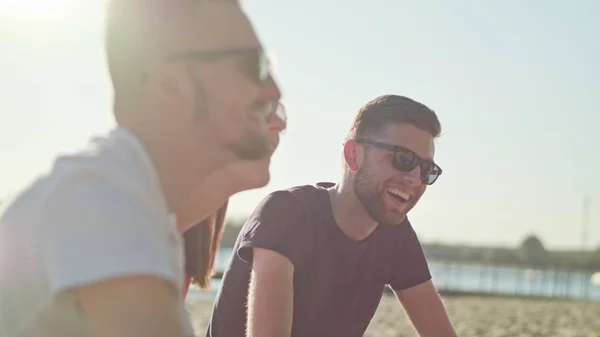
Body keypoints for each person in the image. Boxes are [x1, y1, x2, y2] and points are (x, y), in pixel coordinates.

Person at [0, 1, 282, 337]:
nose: (274, 90)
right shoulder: (102, 205)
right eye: (255, 66)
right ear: (171, 87)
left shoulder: (141, 213)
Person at [206, 94, 458, 337]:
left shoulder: (395, 234)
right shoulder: (288, 214)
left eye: (427, 170)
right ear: (352, 154)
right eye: (403, 159)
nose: (415, 178)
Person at [180, 103, 287, 293]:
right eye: (262, 106)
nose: (280, 123)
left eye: (277, 109)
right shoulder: (132, 231)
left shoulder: (177, 241)